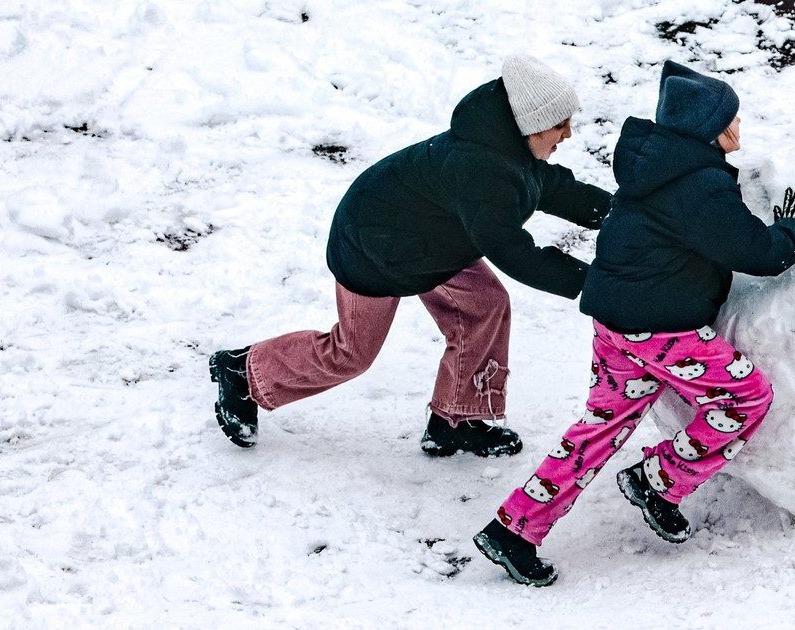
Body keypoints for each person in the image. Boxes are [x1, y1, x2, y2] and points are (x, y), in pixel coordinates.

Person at [473, 60, 795, 586]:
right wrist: (790, 230)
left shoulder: (653, 168)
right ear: (711, 128)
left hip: (616, 323)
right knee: (745, 398)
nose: (738, 126)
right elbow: (756, 252)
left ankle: (513, 529)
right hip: (664, 331)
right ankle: (660, 480)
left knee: (599, 428)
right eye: (732, 118)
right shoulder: (701, 186)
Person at [209, 55, 612, 457]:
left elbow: (552, 188)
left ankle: (455, 422)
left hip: (433, 241)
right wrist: (596, 282)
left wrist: (624, 218)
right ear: (531, 123)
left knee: (484, 305)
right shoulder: (483, 171)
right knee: (351, 353)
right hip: (373, 246)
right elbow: (512, 250)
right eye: (560, 125)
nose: (568, 134)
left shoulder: (508, 147)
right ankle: (244, 372)